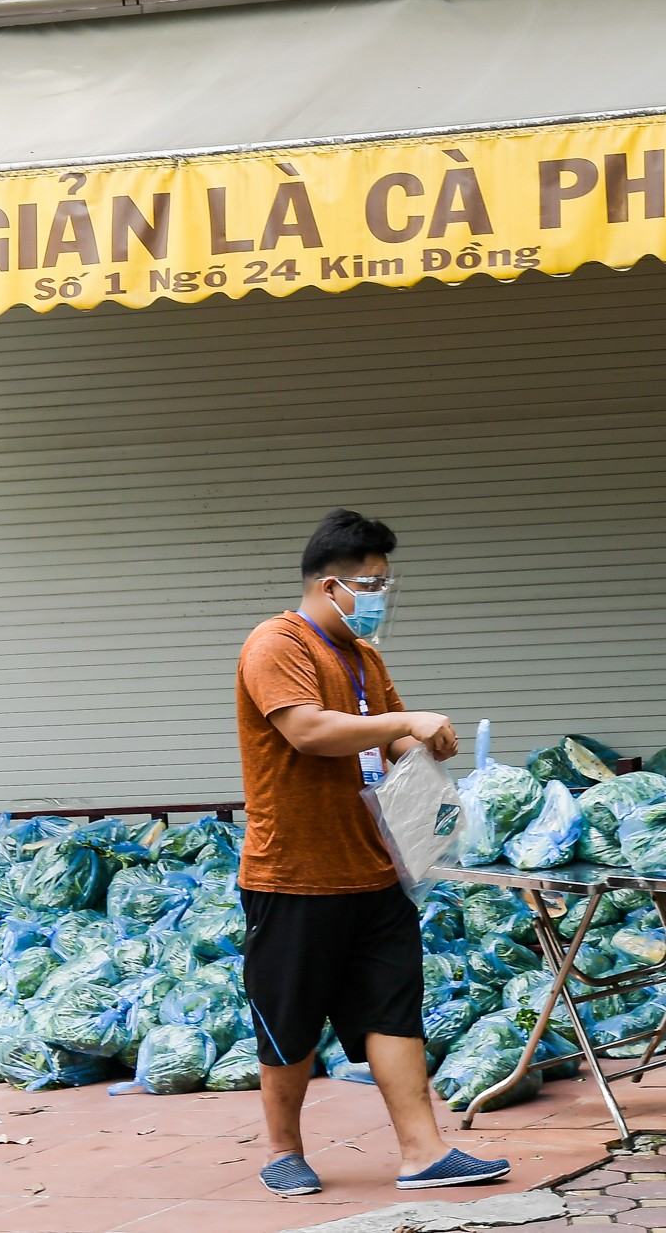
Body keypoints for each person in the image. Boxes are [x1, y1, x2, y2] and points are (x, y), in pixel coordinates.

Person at [235, 509, 510, 1196]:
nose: (381, 596)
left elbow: (383, 740)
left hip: (374, 872)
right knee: (290, 1021)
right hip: (293, 876)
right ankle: (282, 1151)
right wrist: (403, 722)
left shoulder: (365, 659)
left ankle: (424, 1151)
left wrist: (423, 746)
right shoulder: (276, 644)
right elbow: (307, 729)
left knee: (393, 1010)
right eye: (372, 582)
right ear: (332, 586)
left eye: (387, 582)